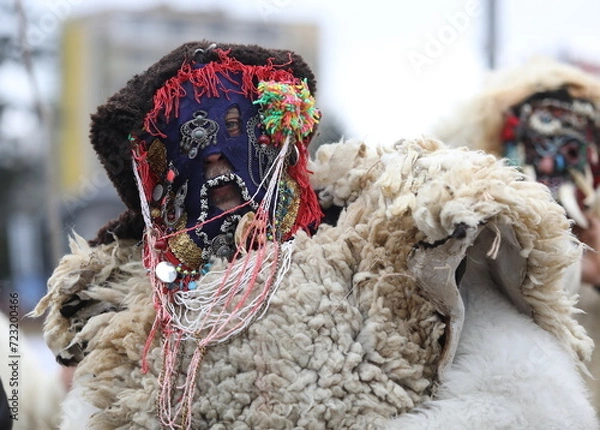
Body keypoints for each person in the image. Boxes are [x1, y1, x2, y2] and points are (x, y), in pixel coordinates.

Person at [33, 42, 596, 429]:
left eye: (237, 132)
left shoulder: (395, 263)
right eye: (187, 151)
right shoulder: (132, 331)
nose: (217, 168)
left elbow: (532, 409)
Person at [434, 56, 600, 410]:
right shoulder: (477, 222)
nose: (548, 163)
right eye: (536, 144)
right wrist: (574, 269)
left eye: (570, 150)